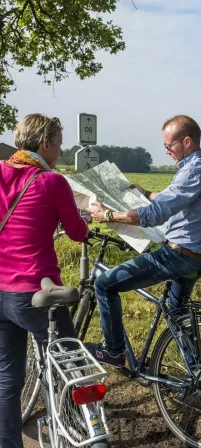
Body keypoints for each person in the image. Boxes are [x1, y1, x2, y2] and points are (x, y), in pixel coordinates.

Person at [86, 115, 201, 368]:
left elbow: (153, 215)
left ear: (187, 142)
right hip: (199, 257)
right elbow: (176, 197)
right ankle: (198, 372)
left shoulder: (193, 170)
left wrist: (108, 216)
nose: (167, 151)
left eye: (169, 146)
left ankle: (114, 352)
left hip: (177, 256)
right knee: (176, 312)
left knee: (104, 285)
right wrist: (146, 193)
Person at [0, 114, 88, 448]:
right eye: (60, 145)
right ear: (45, 143)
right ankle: (77, 435)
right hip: (35, 292)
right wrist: (86, 220)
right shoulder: (52, 182)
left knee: (7, 381)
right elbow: (77, 232)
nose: (62, 152)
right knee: (69, 367)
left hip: (0, 292)